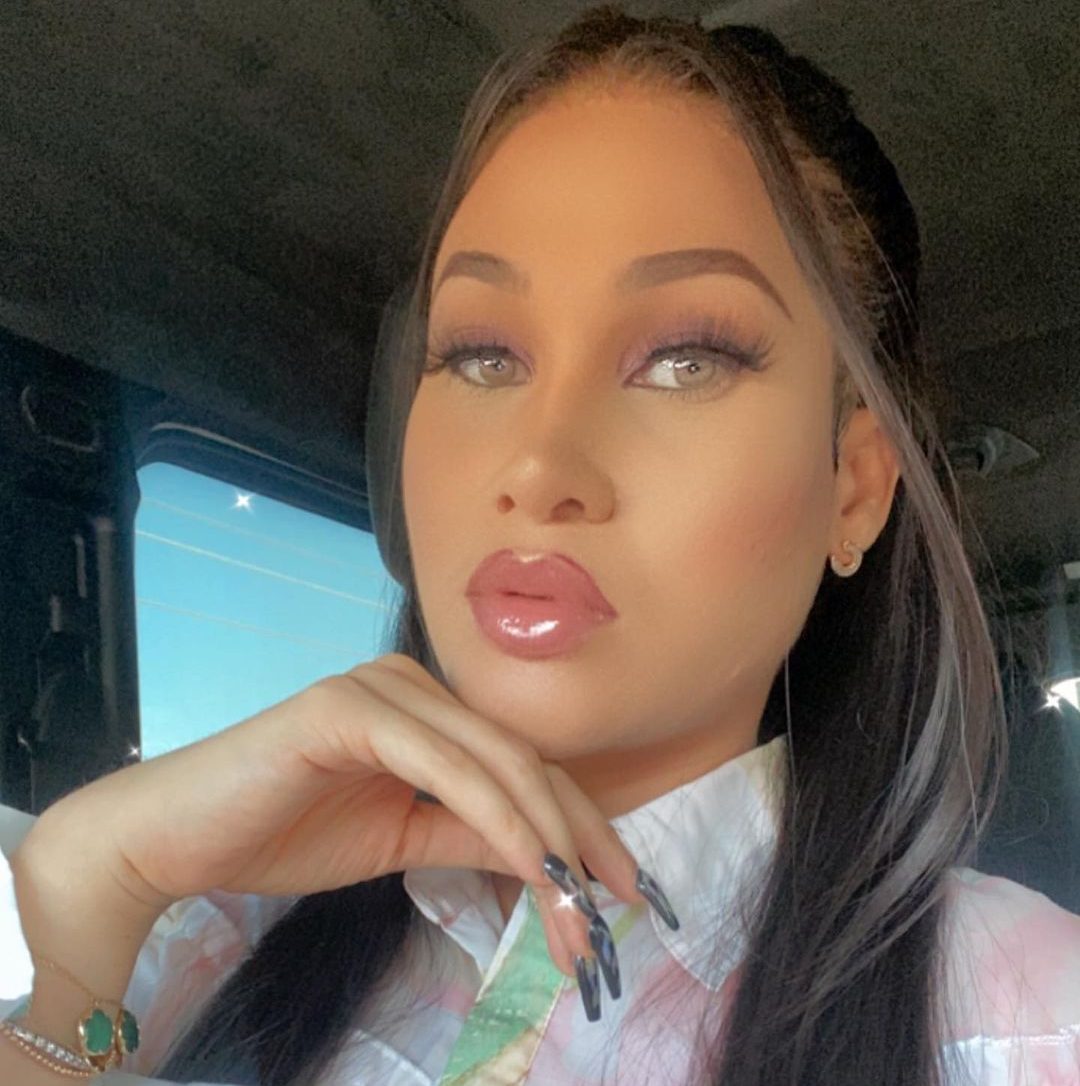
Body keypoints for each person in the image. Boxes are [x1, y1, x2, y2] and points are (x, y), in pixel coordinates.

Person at [2, 4, 1079, 1084]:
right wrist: (88, 923)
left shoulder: (1028, 1020)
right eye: (481, 355)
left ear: (853, 487)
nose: (536, 463)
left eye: (685, 359)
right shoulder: (215, 934)